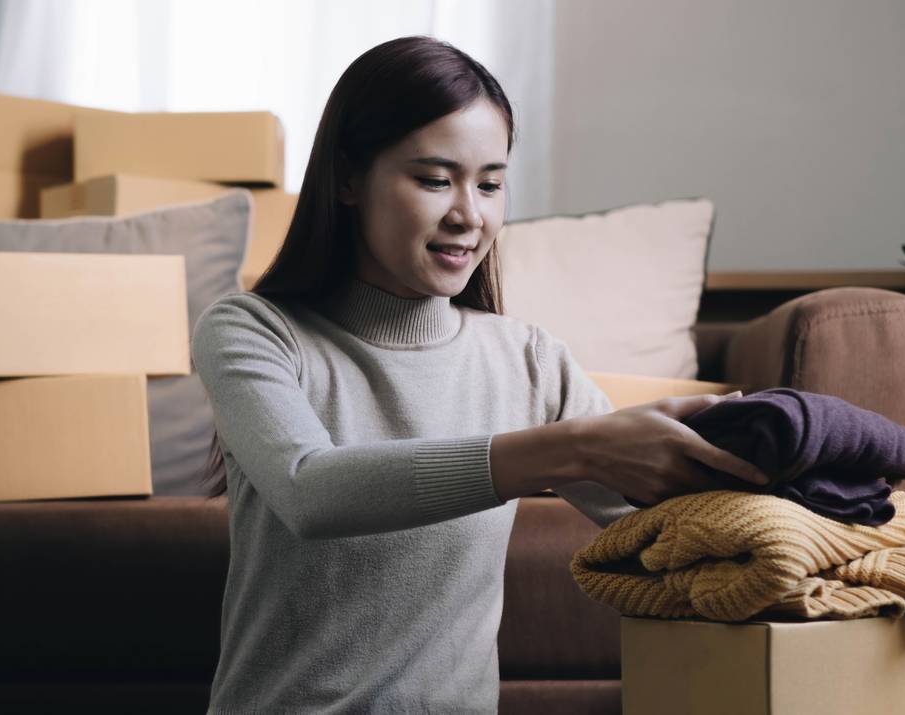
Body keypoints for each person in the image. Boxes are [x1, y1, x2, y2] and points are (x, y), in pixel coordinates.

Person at [190, 35, 768, 714]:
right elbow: (310, 490)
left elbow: (665, 521)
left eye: (490, 182)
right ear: (347, 178)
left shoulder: (526, 359)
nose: (469, 214)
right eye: (434, 179)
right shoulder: (252, 330)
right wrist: (575, 446)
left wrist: (781, 480)